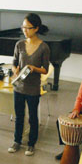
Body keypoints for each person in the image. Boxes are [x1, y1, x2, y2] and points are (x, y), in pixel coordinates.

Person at [7, 13, 50, 156]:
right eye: (23, 27)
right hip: (18, 87)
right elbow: (14, 63)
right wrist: (15, 70)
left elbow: (45, 70)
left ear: (36, 28)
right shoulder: (19, 44)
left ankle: (31, 144)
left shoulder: (44, 47)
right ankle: (17, 141)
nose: (24, 30)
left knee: (33, 117)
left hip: (33, 88)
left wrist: (33, 68)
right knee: (19, 116)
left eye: (28, 28)